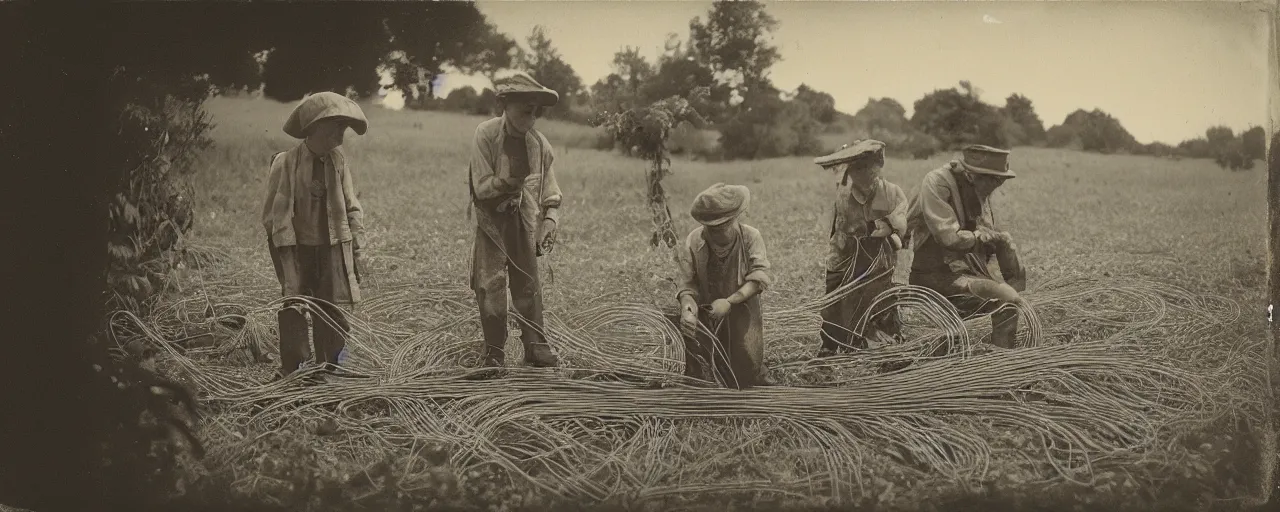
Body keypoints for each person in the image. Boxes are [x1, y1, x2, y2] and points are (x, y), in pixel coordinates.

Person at [261, 91, 369, 380]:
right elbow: (273, 215)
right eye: (337, 127)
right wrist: (285, 255)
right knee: (294, 305)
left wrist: (357, 246)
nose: (341, 135)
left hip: (330, 248)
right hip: (297, 250)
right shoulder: (286, 163)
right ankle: (291, 369)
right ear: (319, 128)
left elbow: (351, 206)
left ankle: (328, 366)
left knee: (329, 307)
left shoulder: (338, 162)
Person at [468, 73, 563, 368]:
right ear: (506, 106)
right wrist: (508, 182)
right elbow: (481, 186)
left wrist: (549, 219)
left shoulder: (540, 145)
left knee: (528, 285)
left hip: (524, 220)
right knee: (490, 286)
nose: (532, 117)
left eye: (537, 111)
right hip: (492, 223)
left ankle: (535, 347)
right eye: (526, 109)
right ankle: (494, 353)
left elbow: (550, 190)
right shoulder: (485, 135)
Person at [905, 144, 1027, 350]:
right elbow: (949, 238)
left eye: (1000, 181)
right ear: (972, 175)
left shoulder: (979, 192)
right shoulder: (937, 183)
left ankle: (999, 358)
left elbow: (989, 238)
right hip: (934, 274)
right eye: (993, 180)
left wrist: (1004, 245)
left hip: (964, 272)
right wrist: (981, 237)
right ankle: (1001, 364)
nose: (997, 186)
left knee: (1011, 295)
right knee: (1006, 300)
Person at [813, 140, 909, 358]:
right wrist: (838, 258)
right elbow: (837, 230)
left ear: (877, 167)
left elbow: (902, 226)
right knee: (836, 297)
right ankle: (830, 344)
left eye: (868, 167)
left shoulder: (893, 192)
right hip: (846, 254)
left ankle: (886, 342)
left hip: (879, 257)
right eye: (857, 168)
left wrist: (889, 229)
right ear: (851, 171)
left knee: (880, 299)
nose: (863, 173)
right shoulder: (844, 197)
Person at [675, 183, 774, 389]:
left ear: (734, 218)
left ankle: (754, 371)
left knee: (745, 372)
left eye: (723, 226)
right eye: (711, 227)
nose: (717, 232)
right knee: (701, 372)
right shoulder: (694, 241)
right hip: (707, 311)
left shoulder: (750, 237)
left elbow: (759, 278)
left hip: (742, 306)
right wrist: (687, 306)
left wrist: (729, 302)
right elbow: (687, 283)